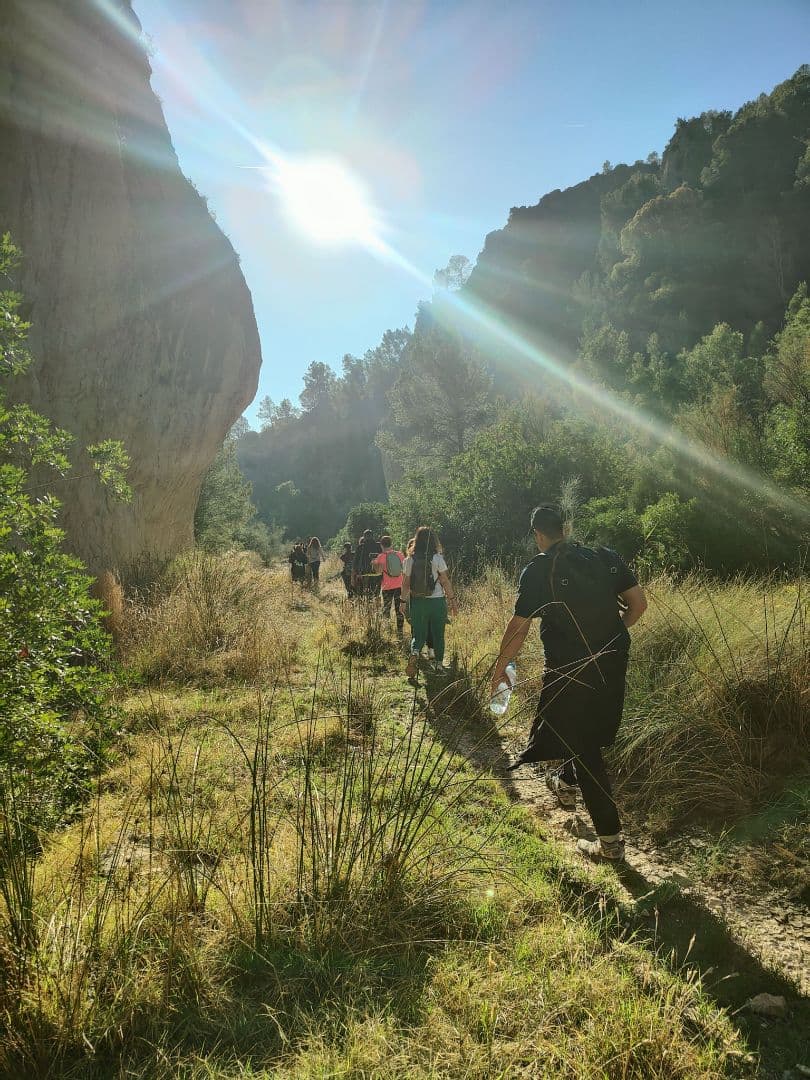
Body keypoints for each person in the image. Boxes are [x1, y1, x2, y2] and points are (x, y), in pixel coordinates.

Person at [490, 505, 647, 862]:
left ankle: (610, 843)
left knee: (585, 745)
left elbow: (519, 627)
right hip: (612, 661)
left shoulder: (539, 569)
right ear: (566, 528)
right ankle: (564, 782)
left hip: (568, 668)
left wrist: (502, 668)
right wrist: (609, 637)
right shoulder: (604, 557)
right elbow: (638, 604)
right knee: (578, 731)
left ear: (537, 534)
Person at [401, 526, 458, 678]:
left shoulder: (409, 560)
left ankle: (414, 653)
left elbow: (405, 584)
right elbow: (445, 581)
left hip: (418, 602)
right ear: (433, 541)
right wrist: (452, 600)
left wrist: (402, 602)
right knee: (438, 634)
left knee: (418, 635)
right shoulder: (437, 558)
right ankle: (439, 665)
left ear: (417, 540)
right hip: (437, 602)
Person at [373, 535, 406, 631]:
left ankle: (388, 629)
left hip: (387, 587)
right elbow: (404, 569)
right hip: (400, 586)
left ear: (381, 545)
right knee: (399, 609)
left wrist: (375, 564)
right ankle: (400, 630)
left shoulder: (381, 557)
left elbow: (378, 572)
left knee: (386, 609)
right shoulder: (399, 554)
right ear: (391, 544)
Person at [353, 529, 383, 600]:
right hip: (377, 573)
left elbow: (355, 562)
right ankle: (375, 606)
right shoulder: (378, 546)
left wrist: (355, 574)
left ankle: (367, 606)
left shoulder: (360, 547)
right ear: (373, 536)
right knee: (376, 592)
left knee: (364, 592)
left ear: (364, 537)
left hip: (363, 574)